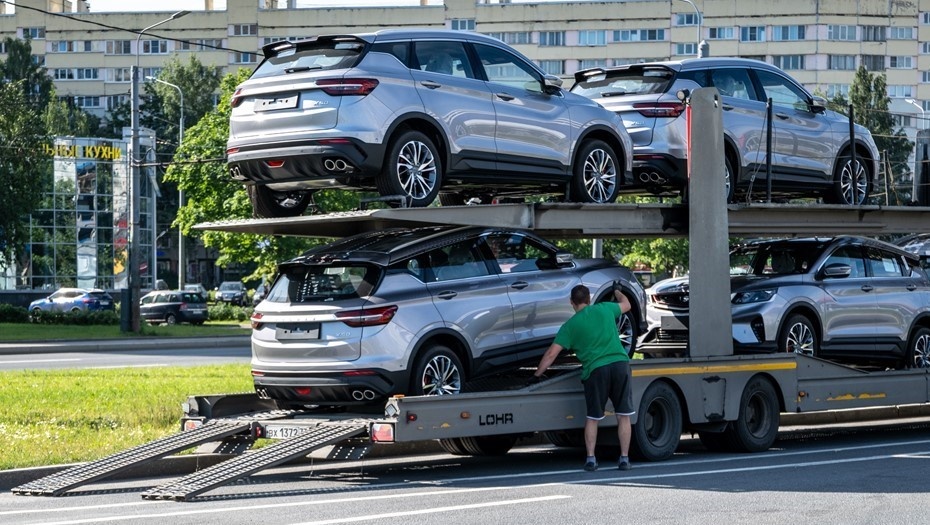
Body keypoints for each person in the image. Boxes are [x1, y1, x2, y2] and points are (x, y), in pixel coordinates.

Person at [529, 282, 634, 472]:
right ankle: (624, 458)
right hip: (620, 364)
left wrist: (537, 375)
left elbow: (552, 354)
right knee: (623, 415)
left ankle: (591, 458)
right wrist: (617, 291)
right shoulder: (604, 309)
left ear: (572, 302)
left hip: (597, 370)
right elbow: (627, 305)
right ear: (589, 299)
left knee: (593, 417)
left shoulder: (570, 326)